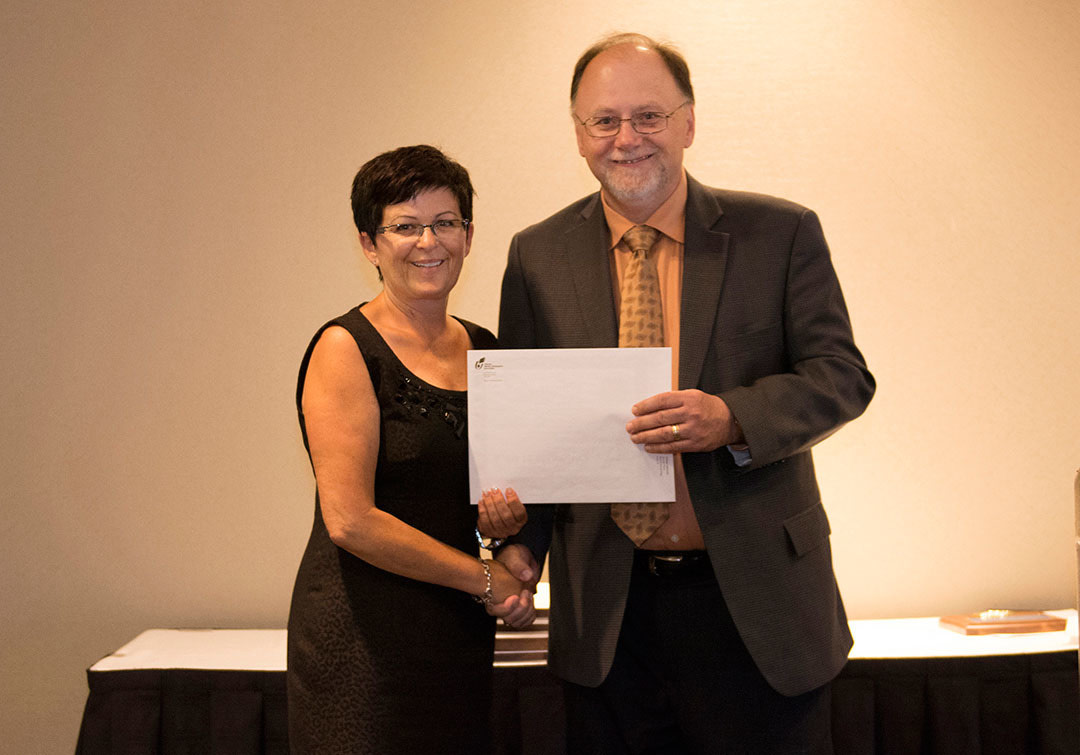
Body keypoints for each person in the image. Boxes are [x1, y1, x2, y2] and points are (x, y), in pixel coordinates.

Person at [496, 34, 875, 754]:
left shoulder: (780, 233)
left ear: (689, 122)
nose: (627, 138)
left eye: (649, 115)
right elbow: (533, 425)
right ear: (578, 133)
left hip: (758, 609)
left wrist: (733, 417)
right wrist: (520, 546)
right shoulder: (536, 255)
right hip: (608, 617)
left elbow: (841, 376)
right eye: (604, 120)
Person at [287, 144, 534, 755]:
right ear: (369, 244)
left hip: (455, 634)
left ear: (468, 236)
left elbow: (500, 489)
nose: (429, 242)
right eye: (405, 226)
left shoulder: (488, 350)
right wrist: (486, 578)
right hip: (362, 638)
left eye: (445, 222)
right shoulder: (346, 347)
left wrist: (512, 537)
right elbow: (351, 521)